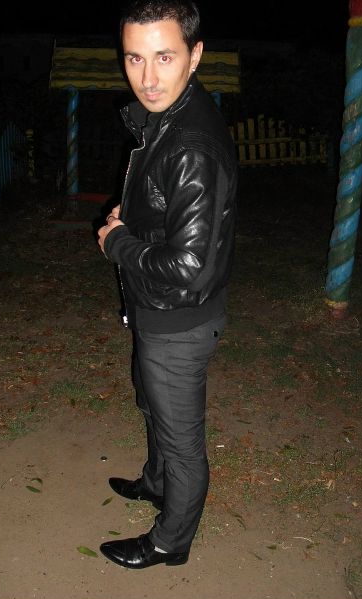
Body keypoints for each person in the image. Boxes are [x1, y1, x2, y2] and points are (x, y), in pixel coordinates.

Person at [97, 0, 237, 569]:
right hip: (156, 308)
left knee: (182, 443)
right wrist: (131, 223)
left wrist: (118, 243)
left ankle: (169, 542)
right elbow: (167, 213)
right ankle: (156, 482)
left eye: (164, 57)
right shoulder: (167, 117)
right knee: (152, 406)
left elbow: (190, 266)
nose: (148, 77)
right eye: (135, 58)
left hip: (179, 320)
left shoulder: (191, 145)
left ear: (195, 55)